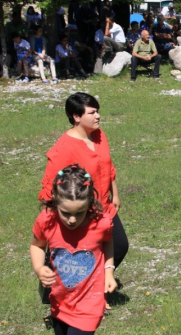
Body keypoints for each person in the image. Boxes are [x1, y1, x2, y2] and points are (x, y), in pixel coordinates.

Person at [39, 93, 129, 273]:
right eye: (92, 112)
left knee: (119, 246)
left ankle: (97, 283)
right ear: (76, 116)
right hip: (80, 211)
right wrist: (50, 220)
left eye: (98, 111)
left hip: (105, 207)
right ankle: (64, 290)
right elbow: (50, 187)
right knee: (77, 256)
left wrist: (115, 195)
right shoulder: (64, 148)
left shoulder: (99, 135)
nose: (98, 116)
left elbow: (108, 167)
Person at [31, 165, 116, 335]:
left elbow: (108, 243)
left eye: (79, 213)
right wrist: (39, 268)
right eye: (66, 213)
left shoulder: (100, 223)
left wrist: (109, 271)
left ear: (89, 204)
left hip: (89, 305)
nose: (72, 219)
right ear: (55, 202)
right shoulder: (47, 221)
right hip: (60, 302)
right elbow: (37, 245)